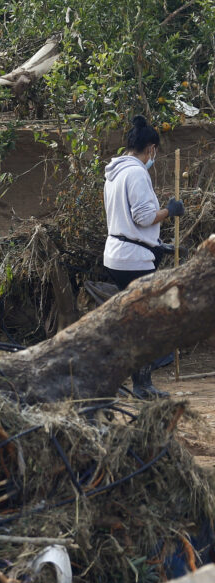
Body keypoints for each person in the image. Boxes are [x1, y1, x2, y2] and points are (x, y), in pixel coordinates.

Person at [102, 115, 185, 398]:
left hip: (117, 254)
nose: (155, 156)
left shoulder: (114, 173)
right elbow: (144, 216)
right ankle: (142, 384)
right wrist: (169, 212)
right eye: (155, 151)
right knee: (145, 321)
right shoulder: (136, 172)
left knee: (132, 319)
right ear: (151, 148)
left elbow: (126, 221)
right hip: (132, 258)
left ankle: (125, 379)